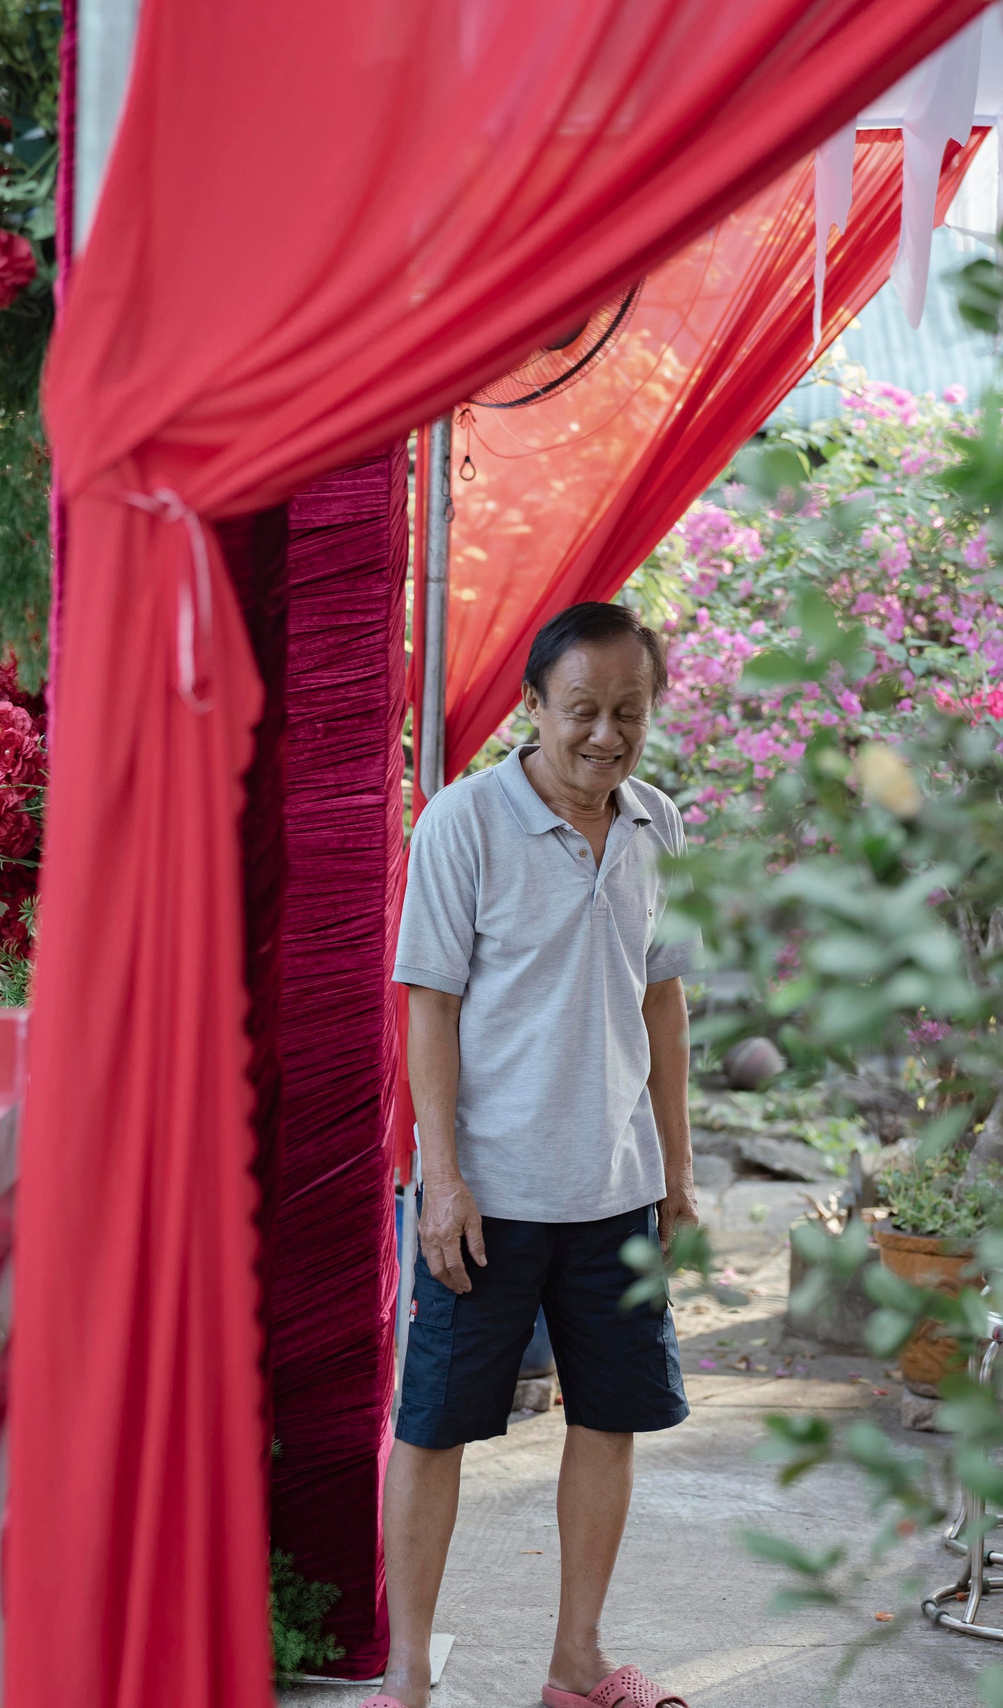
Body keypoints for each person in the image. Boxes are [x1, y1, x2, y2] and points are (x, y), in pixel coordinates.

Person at [370, 601, 697, 1708]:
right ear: (533, 708)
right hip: (488, 1193)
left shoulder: (657, 826)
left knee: (610, 1420)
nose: (605, 735)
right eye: (581, 712)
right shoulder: (463, 823)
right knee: (434, 1425)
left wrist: (678, 1174)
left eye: (627, 713)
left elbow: (662, 1003)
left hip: (615, 1189)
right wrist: (442, 1177)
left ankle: (576, 1662)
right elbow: (431, 1007)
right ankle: (408, 1674)